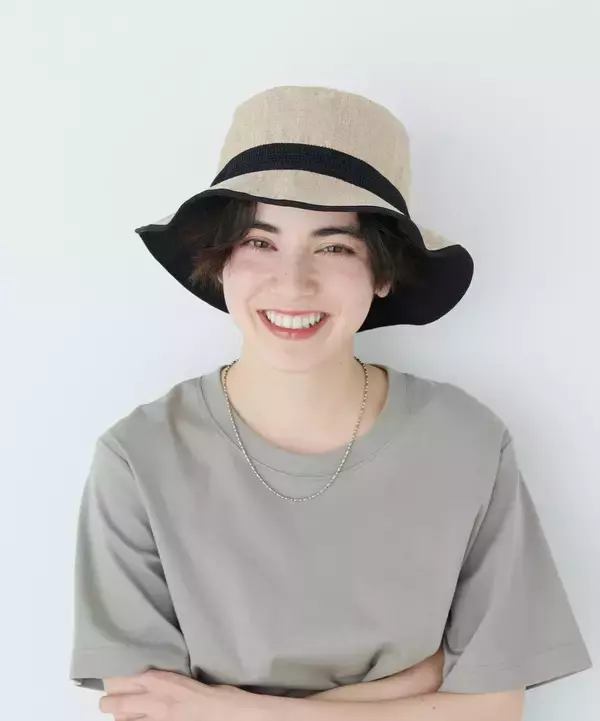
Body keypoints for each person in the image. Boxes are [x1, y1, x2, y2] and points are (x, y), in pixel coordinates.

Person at [69, 86, 592, 720]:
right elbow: (145, 711)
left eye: (335, 246)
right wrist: (418, 686)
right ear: (219, 261)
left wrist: (232, 709)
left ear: (383, 271)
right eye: (259, 242)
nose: (293, 283)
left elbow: (494, 710)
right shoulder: (139, 457)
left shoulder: (466, 443)